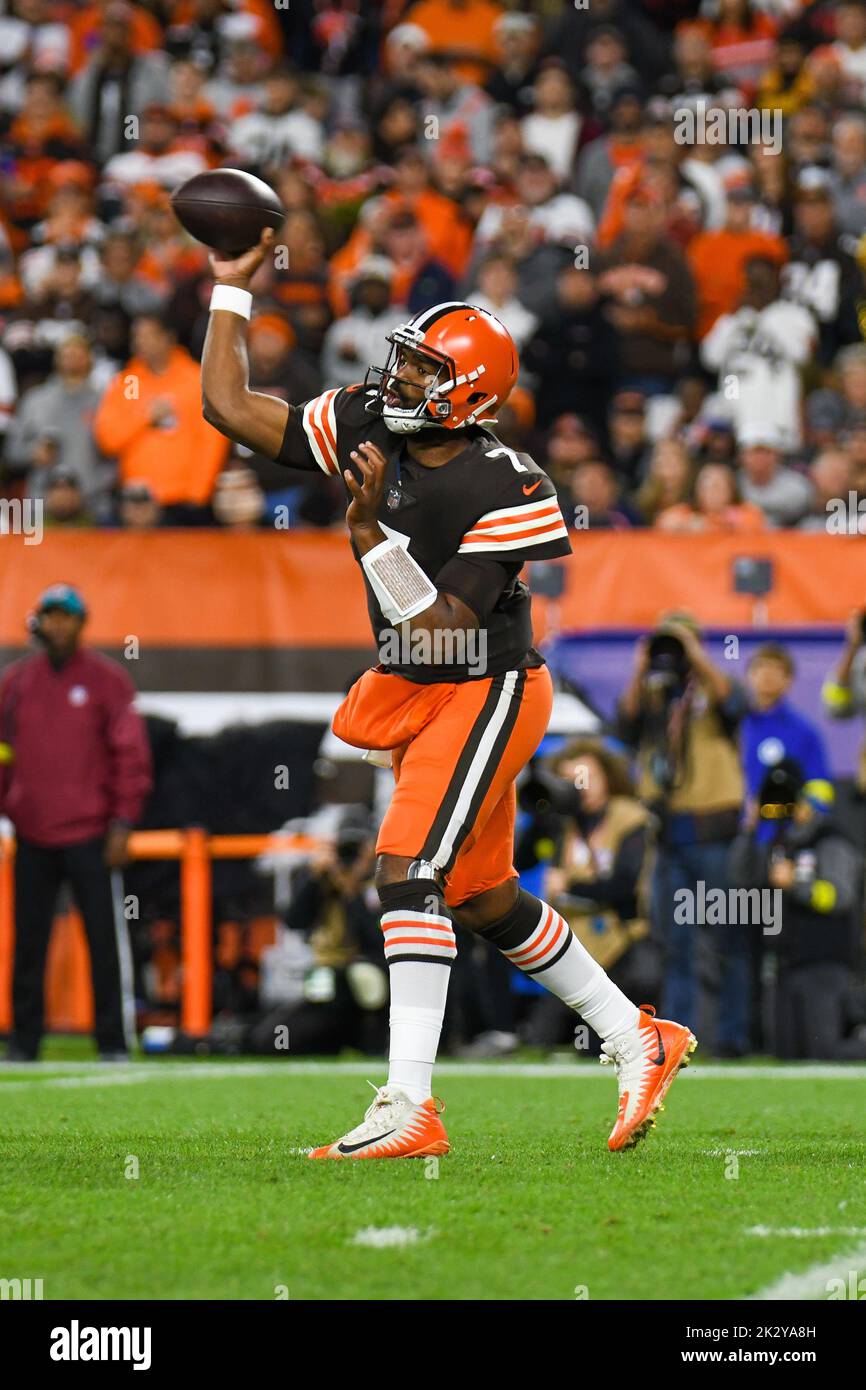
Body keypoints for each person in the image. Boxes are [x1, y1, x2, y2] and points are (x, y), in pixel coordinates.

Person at [199, 228, 697, 1158]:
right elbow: (229, 407)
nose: (401, 382)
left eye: (425, 371)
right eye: (407, 362)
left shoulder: (508, 483)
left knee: (406, 868)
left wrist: (367, 540)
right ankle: (640, 1035)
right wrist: (231, 289)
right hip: (419, 686)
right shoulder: (366, 418)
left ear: (468, 394)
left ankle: (408, 1105)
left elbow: (444, 630)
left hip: (488, 684)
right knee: (478, 890)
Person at [0, 585, 153, 1061]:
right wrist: (9, 804)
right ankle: (25, 1042)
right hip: (32, 831)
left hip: (91, 832)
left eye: (68, 616)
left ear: (81, 624)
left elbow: (130, 755)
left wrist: (122, 821)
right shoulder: (15, 682)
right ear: (38, 622)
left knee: (104, 941)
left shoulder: (107, 680)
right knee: (28, 942)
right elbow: (3, 752)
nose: (59, 624)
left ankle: (112, 1041)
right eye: (51, 616)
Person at [617, 612, 749, 1055]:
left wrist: (696, 655)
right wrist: (642, 668)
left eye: (681, 642)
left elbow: (736, 705)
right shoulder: (656, 692)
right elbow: (625, 727)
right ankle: (677, 1040)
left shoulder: (713, 688)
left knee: (721, 933)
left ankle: (731, 1038)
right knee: (675, 941)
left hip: (714, 831)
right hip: (669, 834)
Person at [729, 759, 866, 1061]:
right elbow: (741, 878)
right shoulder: (780, 843)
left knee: (825, 1049)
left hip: (825, 964)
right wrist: (749, 830)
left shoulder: (830, 840)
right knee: (787, 1053)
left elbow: (841, 896)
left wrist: (797, 884)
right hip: (787, 964)